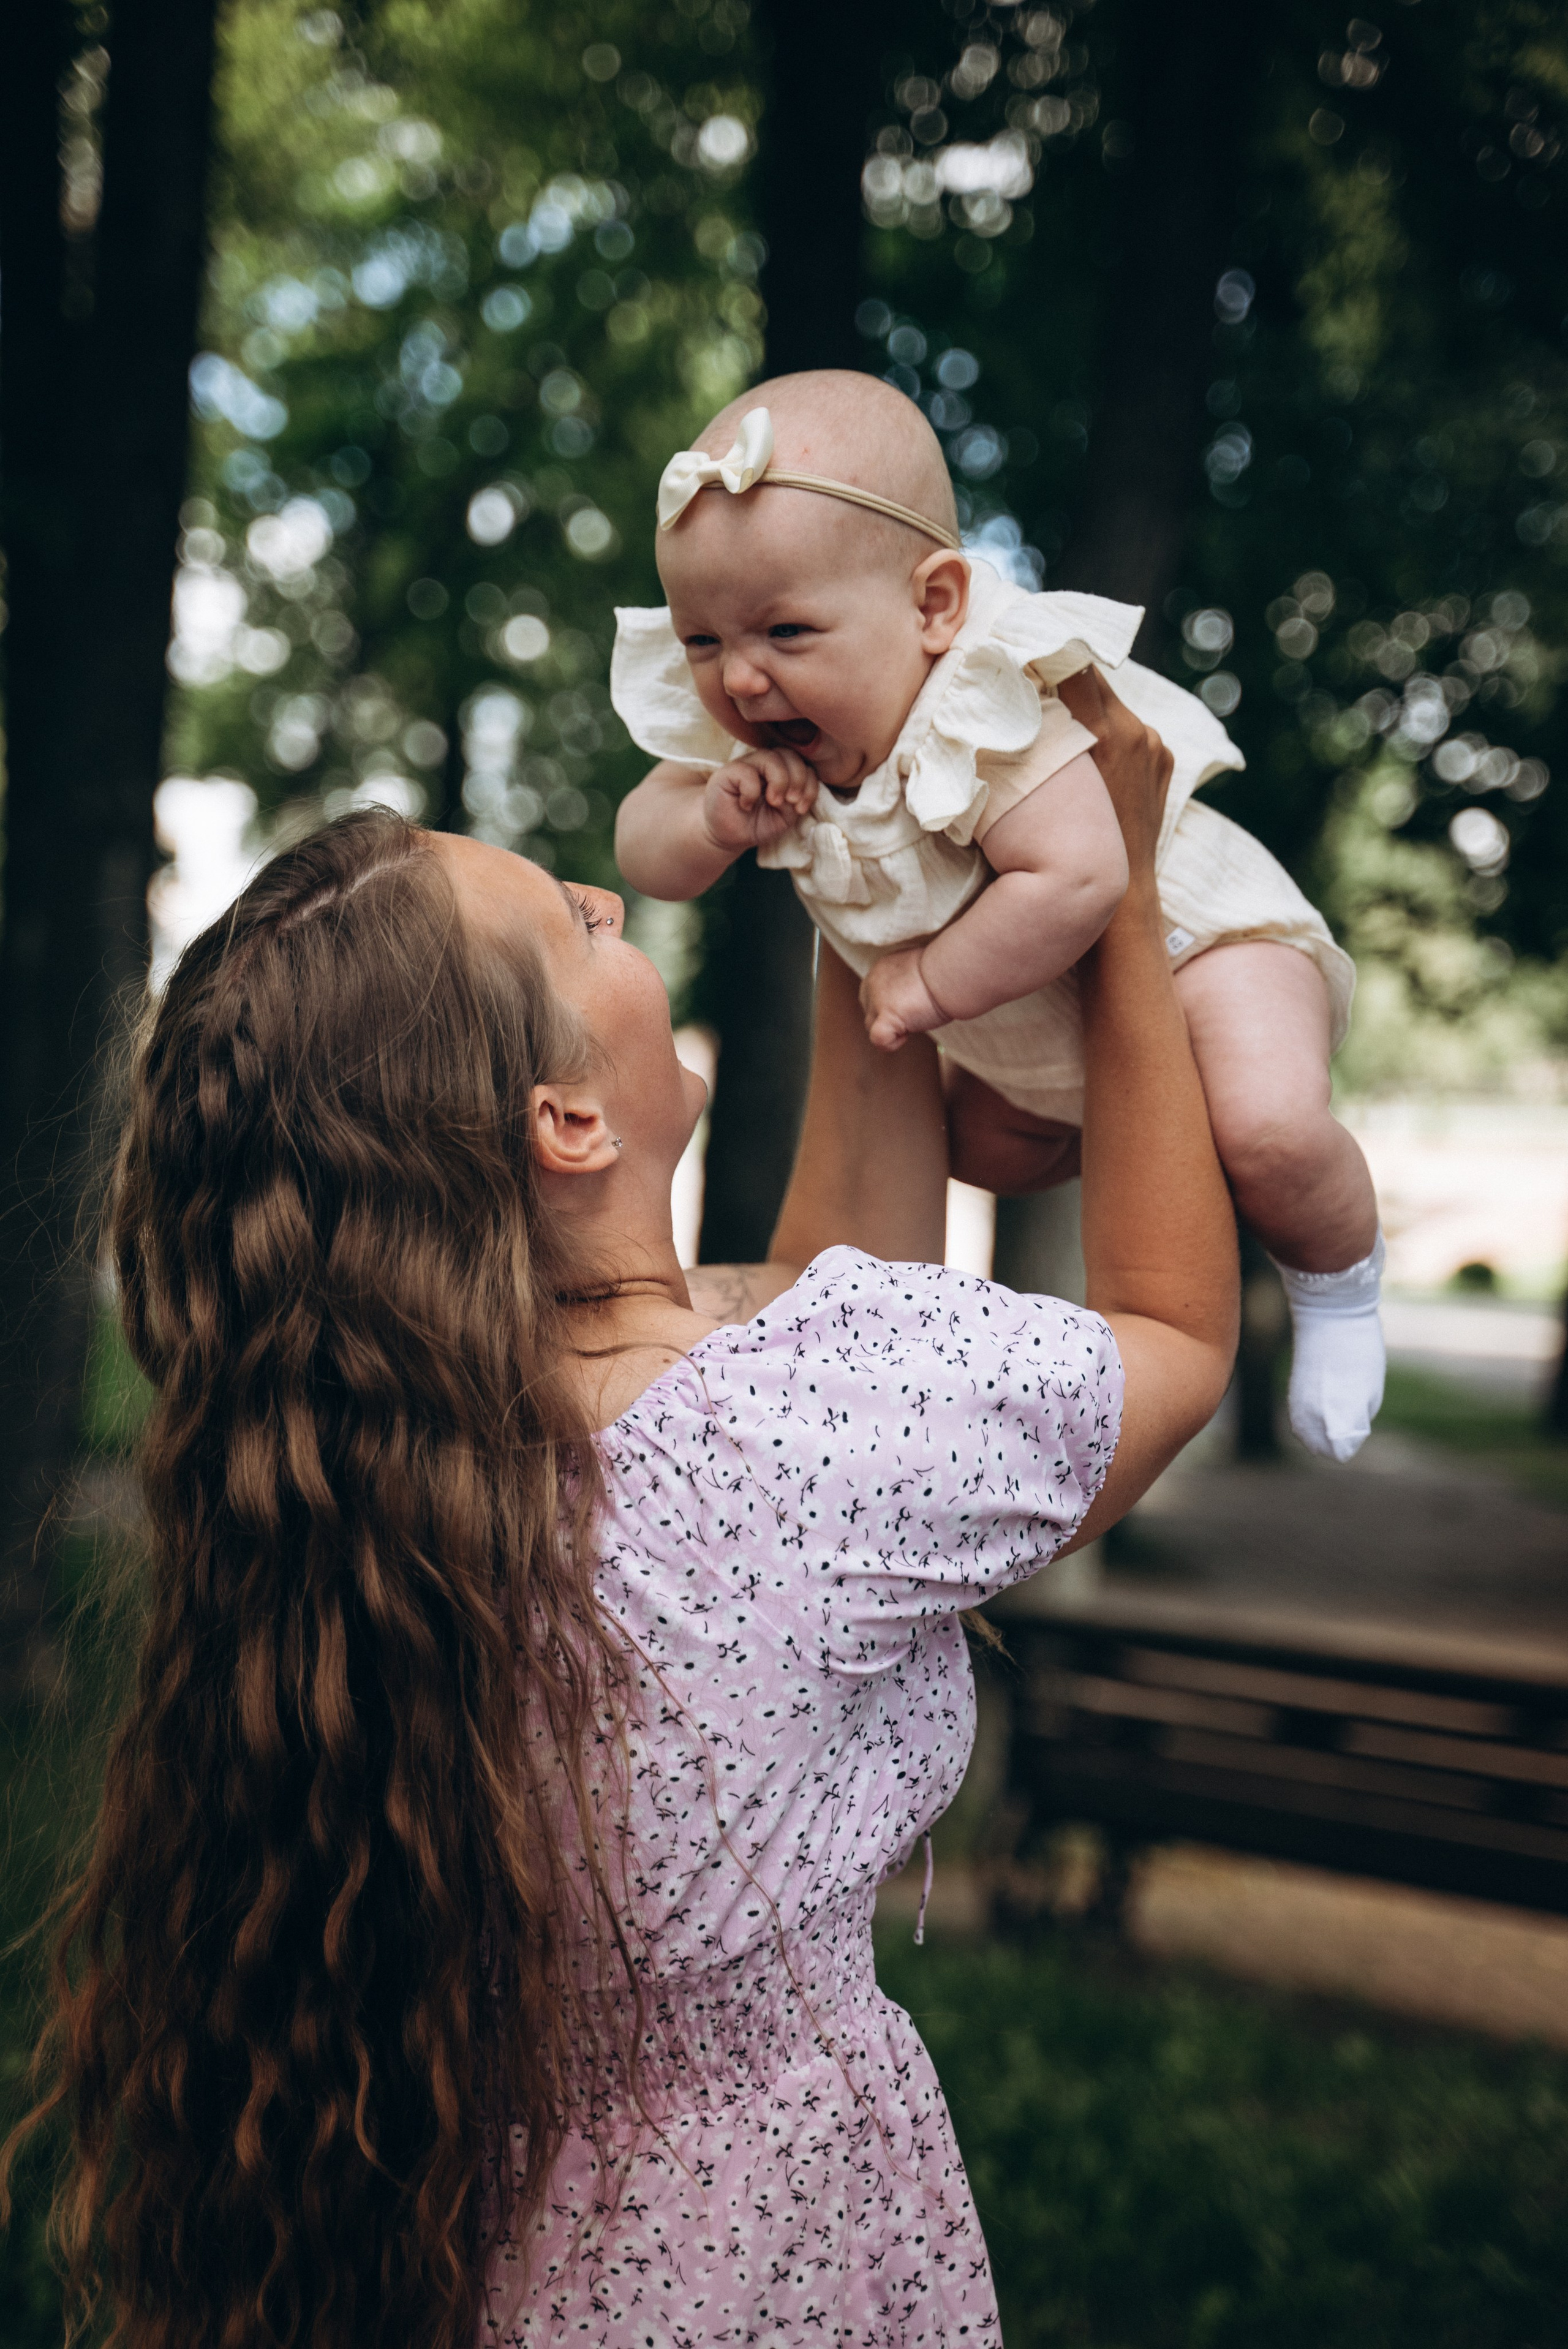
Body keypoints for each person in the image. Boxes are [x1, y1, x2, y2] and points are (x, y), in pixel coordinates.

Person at [2, 678, 1235, 2349]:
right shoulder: (793, 1429)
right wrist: (1127, 902)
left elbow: (818, 1286)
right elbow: (1171, 1334)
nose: (611, 895)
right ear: (566, 1120)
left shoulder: (403, 1463)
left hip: (502, 2244)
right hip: (775, 2251)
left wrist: (860, 867)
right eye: (581, 923)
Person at [612, 371, 1385, 1462]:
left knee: (1269, 1131)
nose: (739, 679)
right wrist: (709, 818)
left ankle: (1341, 1288)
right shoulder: (754, 735)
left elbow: (1081, 878)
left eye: (786, 630)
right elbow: (644, 851)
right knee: (975, 1145)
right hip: (1034, 1029)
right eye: (701, 642)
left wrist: (927, 983)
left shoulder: (982, 705)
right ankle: (1182, 1161)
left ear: (934, 607)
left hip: (1199, 947)